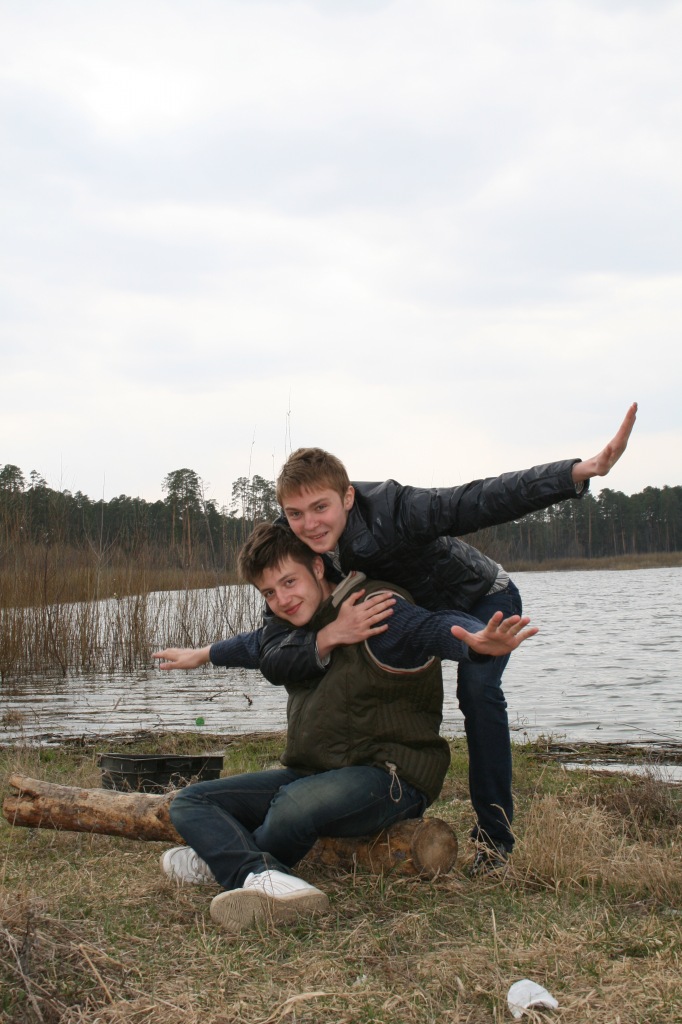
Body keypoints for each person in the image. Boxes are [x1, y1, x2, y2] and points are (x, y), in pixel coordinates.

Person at [269, 404, 637, 873]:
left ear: (347, 497)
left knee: (477, 691)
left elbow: (477, 499)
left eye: (320, 508)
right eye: (295, 513)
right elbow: (274, 631)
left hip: (481, 599)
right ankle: (360, 800)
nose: (309, 525)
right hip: (417, 619)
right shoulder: (289, 542)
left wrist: (575, 474)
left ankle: (494, 842)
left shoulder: (393, 509)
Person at [153, 524, 537, 935]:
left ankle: (223, 863)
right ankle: (258, 875)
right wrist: (203, 654)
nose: (282, 599)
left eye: (289, 582)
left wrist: (474, 640)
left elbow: (426, 627)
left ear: (318, 567)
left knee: (292, 807)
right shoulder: (295, 628)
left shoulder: (373, 605)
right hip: (314, 774)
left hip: (390, 778)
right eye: (269, 593)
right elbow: (253, 646)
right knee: (190, 802)